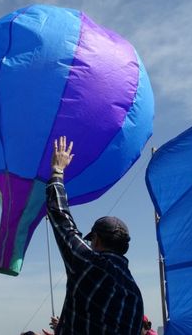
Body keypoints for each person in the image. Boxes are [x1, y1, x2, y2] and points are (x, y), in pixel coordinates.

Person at [46, 136, 144, 334]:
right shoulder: (135, 293)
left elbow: (62, 220)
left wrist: (57, 171)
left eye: (91, 240)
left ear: (97, 239)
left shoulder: (91, 264)